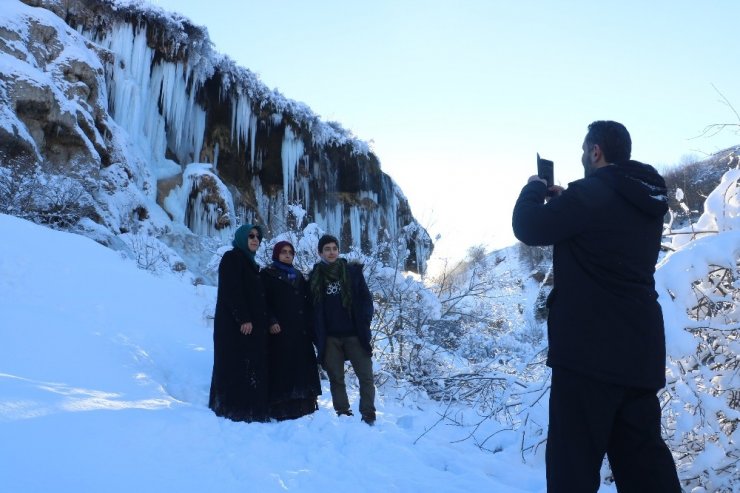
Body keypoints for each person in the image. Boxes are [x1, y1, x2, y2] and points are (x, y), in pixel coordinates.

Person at [512, 121, 681, 492]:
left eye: (583, 150)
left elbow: (527, 226)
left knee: (573, 467)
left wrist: (534, 188)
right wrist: (567, 206)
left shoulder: (592, 194)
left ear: (595, 151)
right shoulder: (647, 199)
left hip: (587, 355)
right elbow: (606, 238)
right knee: (644, 466)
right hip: (639, 353)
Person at [308, 234, 376, 425]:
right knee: (336, 378)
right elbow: (312, 309)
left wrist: (364, 322)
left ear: (338, 250)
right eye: (327, 249)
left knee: (366, 376)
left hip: (355, 335)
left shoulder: (352, 272)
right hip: (330, 338)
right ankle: (343, 413)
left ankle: (368, 413)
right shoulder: (315, 277)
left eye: (334, 248)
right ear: (320, 252)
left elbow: (366, 300)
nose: (331, 252)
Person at [208, 224, 270, 423]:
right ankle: (232, 408)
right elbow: (231, 289)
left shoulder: (250, 263)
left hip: (249, 326)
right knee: (233, 365)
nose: (255, 239)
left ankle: (248, 409)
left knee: (248, 366)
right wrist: (243, 317)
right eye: (251, 236)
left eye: (258, 237)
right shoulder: (232, 257)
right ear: (242, 238)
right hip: (234, 326)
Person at [261, 240, 322, 420]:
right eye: (283, 252)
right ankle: (282, 409)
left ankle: (305, 405)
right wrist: (270, 320)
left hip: (300, 331)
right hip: (279, 331)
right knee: (283, 368)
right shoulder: (267, 274)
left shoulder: (297, 275)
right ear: (276, 254)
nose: (287, 255)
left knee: (302, 369)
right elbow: (263, 301)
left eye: (290, 252)